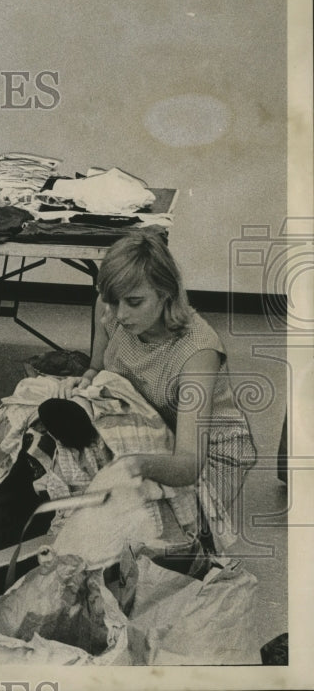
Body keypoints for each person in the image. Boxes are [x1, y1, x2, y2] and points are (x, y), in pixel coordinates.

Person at [58, 230, 257, 552]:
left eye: (134, 302)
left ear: (166, 293)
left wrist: (136, 465)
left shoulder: (197, 352)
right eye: (112, 301)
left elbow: (188, 463)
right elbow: (97, 369)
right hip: (145, 421)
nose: (120, 314)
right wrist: (85, 382)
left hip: (204, 455)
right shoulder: (110, 307)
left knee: (139, 533)